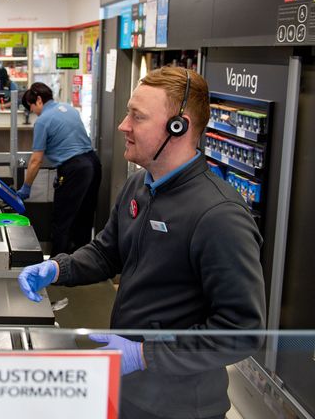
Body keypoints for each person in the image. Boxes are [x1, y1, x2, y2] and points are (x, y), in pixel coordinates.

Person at [17, 67, 266, 419]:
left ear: (177, 127)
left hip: (179, 407)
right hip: (131, 391)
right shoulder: (140, 186)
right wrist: (58, 267)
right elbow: (107, 252)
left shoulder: (219, 215)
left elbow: (241, 331)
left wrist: (144, 354)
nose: (123, 125)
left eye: (137, 116)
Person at [18, 82, 101, 255]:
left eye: (32, 107)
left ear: (39, 100)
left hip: (74, 169)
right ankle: (81, 264)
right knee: (84, 218)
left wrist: (26, 187)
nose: (33, 111)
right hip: (93, 163)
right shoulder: (69, 108)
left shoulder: (42, 121)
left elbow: (35, 160)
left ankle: (58, 270)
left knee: (62, 219)